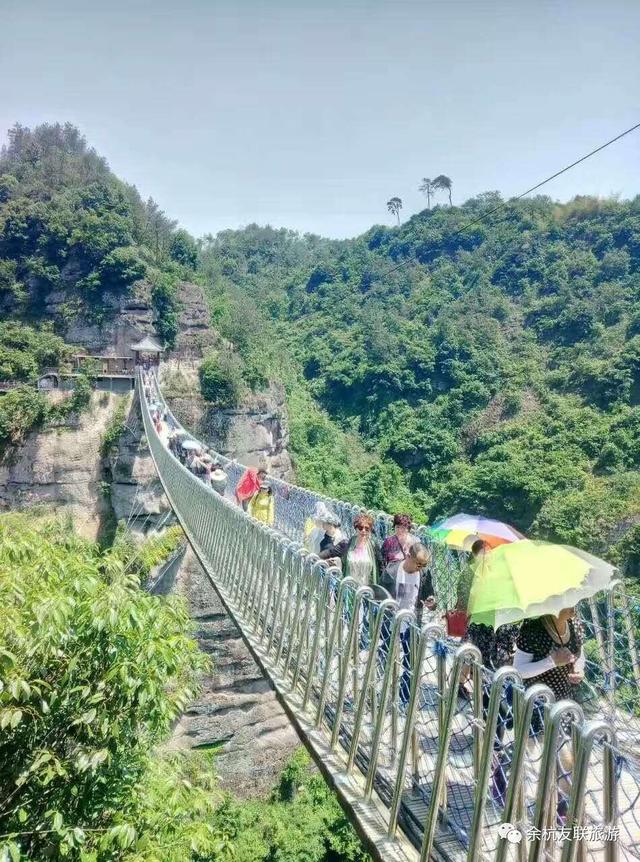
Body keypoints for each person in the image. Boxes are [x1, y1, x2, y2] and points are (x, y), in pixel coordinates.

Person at [513, 608, 585, 820]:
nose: (574, 604)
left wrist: (579, 671)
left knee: (565, 757)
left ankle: (559, 806)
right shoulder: (533, 629)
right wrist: (552, 661)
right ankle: (515, 788)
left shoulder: (575, 625)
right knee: (528, 752)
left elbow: (580, 657)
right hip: (538, 703)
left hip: (566, 703)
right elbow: (519, 670)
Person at [395, 543, 433, 704]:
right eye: (419, 564)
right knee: (386, 659)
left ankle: (405, 696)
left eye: (424, 565)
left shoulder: (423, 574)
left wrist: (432, 602)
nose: (421, 568)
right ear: (408, 556)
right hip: (392, 621)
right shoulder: (393, 570)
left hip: (412, 623)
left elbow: (430, 595)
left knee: (410, 659)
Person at [319, 513, 382, 586]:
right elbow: (330, 552)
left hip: (367, 590)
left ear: (370, 530)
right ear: (356, 528)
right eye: (360, 528)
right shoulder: (347, 544)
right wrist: (315, 557)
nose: (363, 531)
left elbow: (381, 566)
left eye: (367, 528)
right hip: (349, 588)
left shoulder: (374, 546)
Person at [381, 514, 418, 597]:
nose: (400, 530)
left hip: (410, 582)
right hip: (392, 582)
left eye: (403, 527)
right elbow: (382, 562)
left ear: (408, 529)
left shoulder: (415, 542)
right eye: (397, 527)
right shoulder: (389, 542)